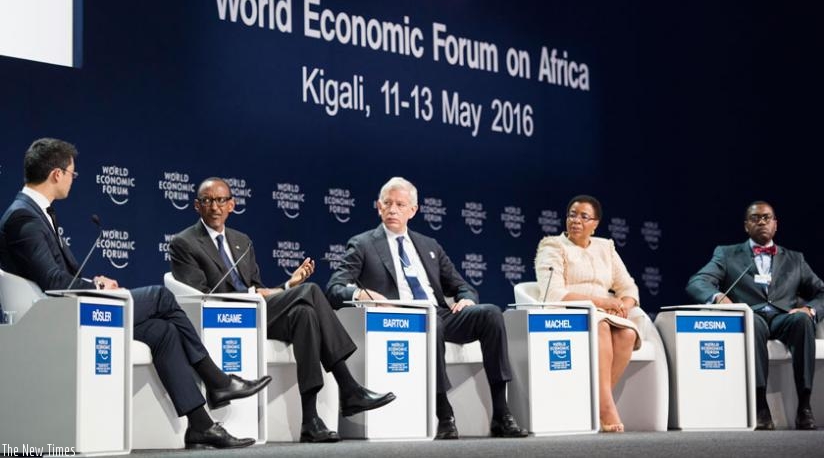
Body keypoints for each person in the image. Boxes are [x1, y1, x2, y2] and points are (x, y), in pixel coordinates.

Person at [0, 138, 272, 450]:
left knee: (163, 330)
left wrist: (91, 281)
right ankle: (218, 381)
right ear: (56, 175)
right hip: (52, 319)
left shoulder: (36, 213)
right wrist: (97, 288)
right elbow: (52, 280)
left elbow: (53, 275)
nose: (73, 181)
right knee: (160, 297)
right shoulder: (24, 218)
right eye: (73, 174)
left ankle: (201, 425)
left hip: (67, 310)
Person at [168, 177, 396, 443]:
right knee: (310, 292)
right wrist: (268, 293)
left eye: (221, 200)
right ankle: (349, 387)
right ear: (197, 206)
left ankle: (310, 420)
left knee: (305, 315)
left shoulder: (242, 241)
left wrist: (288, 285)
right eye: (207, 201)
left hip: (257, 312)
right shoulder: (184, 243)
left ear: (232, 205)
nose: (215, 207)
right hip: (224, 317)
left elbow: (257, 288)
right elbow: (202, 296)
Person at [326, 176, 528, 440]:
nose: (392, 209)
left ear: (413, 210)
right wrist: (361, 293)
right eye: (387, 203)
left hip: (440, 313)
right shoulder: (363, 244)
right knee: (432, 323)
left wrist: (466, 298)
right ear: (378, 206)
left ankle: (502, 413)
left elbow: (461, 286)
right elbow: (334, 288)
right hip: (403, 317)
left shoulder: (429, 245)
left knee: (489, 314)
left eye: (400, 204)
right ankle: (444, 414)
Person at [686, 200, 823, 430]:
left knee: (802, 320)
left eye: (766, 217)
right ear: (746, 226)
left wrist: (810, 309)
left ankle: (804, 406)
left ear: (775, 224)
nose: (761, 221)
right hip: (751, 316)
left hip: (783, 318)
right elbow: (697, 282)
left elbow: (821, 292)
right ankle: (760, 406)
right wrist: (719, 298)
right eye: (755, 217)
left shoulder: (795, 259)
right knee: (752, 323)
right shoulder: (727, 254)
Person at [534, 194, 642, 433]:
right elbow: (553, 295)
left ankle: (593, 402)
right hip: (571, 312)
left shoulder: (606, 247)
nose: (576, 221)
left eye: (584, 217)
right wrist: (602, 302)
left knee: (627, 334)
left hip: (604, 312)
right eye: (572, 215)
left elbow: (628, 287)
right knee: (601, 325)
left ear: (595, 224)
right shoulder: (552, 246)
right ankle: (605, 407)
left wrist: (622, 304)